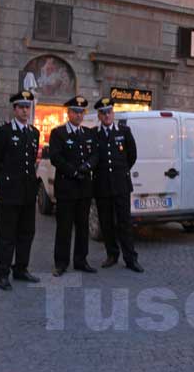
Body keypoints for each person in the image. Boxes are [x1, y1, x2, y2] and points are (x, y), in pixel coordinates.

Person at [0, 91, 40, 290]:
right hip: (10, 192)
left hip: (28, 193)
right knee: (7, 235)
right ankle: (2, 272)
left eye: (28, 107)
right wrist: (5, 179)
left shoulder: (33, 133)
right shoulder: (4, 132)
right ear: (14, 109)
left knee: (27, 233)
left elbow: (31, 161)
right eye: (21, 107)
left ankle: (21, 268)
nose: (25, 111)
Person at [92, 97, 143, 272]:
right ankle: (112, 254)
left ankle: (130, 258)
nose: (106, 115)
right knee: (106, 223)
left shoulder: (124, 131)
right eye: (103, 113)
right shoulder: (94, 134)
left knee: (124, 223)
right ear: (99, 116)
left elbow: (132, 155)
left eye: (109, 112)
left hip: (121, 186)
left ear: (113, 113)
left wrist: (122, 172)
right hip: (102, 186)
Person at [49, 96, 98, 276]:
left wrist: (87, 167)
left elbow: (95, 155)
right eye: (75, 111)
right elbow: (55, 157)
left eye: (81, 112)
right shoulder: (58, 133)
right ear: (68, 112)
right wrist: (73, 171)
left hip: (84, 188)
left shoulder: (88, 133)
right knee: (64, 227)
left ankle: (81, 260)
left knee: (83, 227)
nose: (78, 115)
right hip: (66, 188)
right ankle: (61, 263)